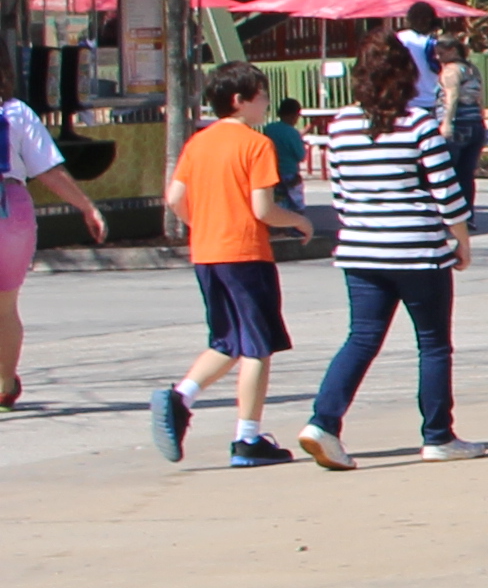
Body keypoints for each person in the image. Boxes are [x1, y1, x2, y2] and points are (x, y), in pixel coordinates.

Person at [299, 31, 469, 466]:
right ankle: (438, 435)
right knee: (432, 343)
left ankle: (323, 421)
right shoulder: (417, 123)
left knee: (361, 338)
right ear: (407, 76)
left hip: (360, 249)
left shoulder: (340, 125)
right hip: (416, 249)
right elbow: (446, 191)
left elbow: (339, 191)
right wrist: (460, 239)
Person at [153, 64, 298, 468]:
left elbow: (175, 197)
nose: (266, 102)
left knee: (227, 341)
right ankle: (247, 438)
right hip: (246, 253)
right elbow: (263, 208)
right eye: (261, 95)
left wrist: (202, 223)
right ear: (240, 100)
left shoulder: (198, 142)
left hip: (208, 253)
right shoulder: (256, 145)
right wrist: (298, 220)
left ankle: (181, 396)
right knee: (257, 348)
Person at [0, 91, 106, 411]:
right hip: (10, 209)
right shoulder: (14, 112)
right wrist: (87, 207)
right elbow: (47, 169)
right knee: (5, 306)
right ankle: (4, 386)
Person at [434, 34, 488, 215]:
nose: (438, 57)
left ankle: (451, 213)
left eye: (441, 53)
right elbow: (480, 98)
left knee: (449, 172)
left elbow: (452, 96)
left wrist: (447, 123)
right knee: (467, 173)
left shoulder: (451, 71)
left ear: (452, 51)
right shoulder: (472, 69)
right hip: (475, 123)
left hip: (458, 124)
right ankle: (468, 213)